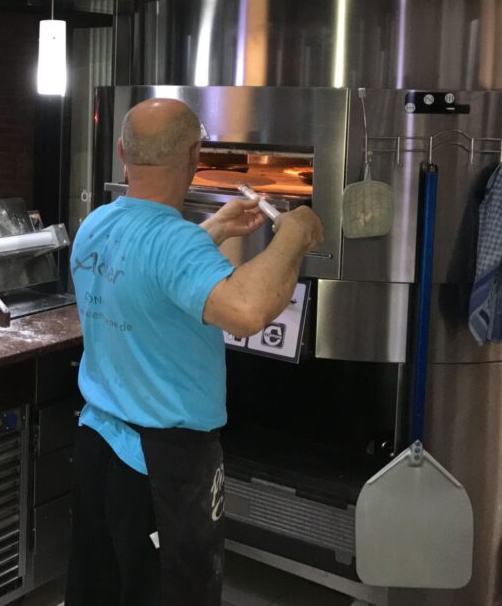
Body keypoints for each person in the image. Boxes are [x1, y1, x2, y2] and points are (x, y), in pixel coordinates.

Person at [66, 97, 324, 606]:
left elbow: (150, 274)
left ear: (123, 152)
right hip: (163, 466)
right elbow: (247, 310)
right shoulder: (177, 243)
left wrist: (218, 228)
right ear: (194, 157)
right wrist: (292, 237)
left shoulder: (98, 224)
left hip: (98, 449)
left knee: (102, 591)